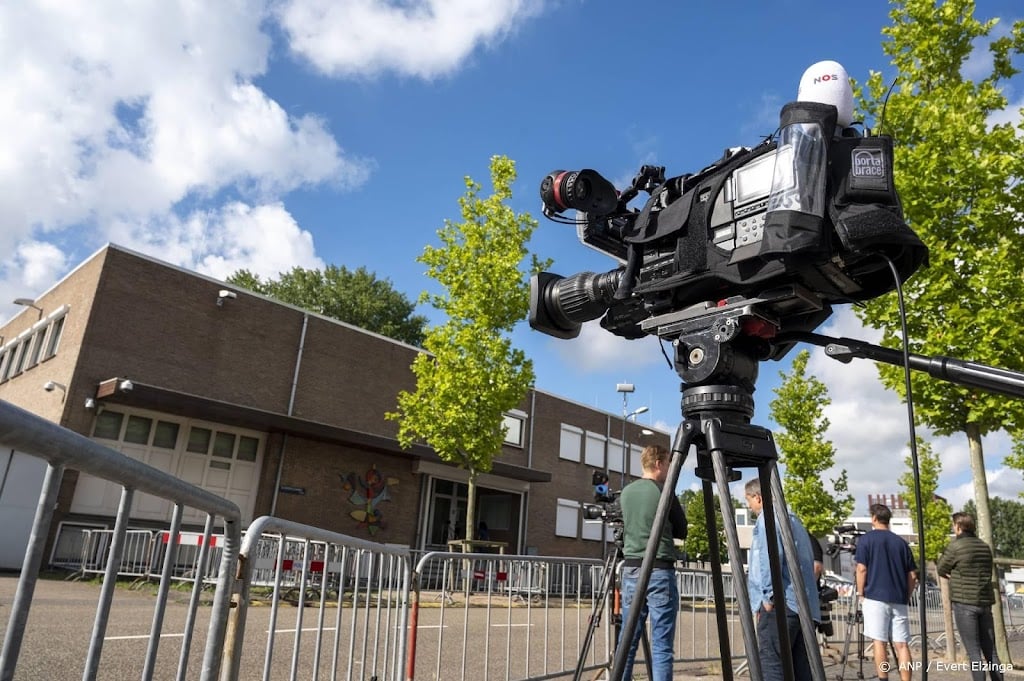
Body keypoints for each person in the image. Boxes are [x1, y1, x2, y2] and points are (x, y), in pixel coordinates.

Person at [618, 444, 687, 681]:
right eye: (668, 463)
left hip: (630, 569)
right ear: (658, 463)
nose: (669, 469)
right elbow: (682, 529)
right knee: (661, 645)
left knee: (627, 640)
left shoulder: (626, 492)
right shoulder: (665, 491)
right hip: (659, 568)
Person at [744, 478, 821, 681]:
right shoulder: (794, 520)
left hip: (781, 604)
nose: (748, 506)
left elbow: (770, 559)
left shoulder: (767, 519)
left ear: (758, 498)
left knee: (773, 665)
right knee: (801, 668)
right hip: (802, 606)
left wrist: (768, 599)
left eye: (748, 500)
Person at [936, 512, 1003, 681]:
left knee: (974, 654)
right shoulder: (984, 546)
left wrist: (955, 577)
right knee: (991, 652)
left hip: (965, 603)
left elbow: (941, 568)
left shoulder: (956, 547)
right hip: (985, 603)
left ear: (958, 527)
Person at [854, 504, 917, 681]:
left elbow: (861, 569)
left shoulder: (866, 540)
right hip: (898, 598)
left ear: (874, 518)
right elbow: (912, 575)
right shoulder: (901, 543)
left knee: (879, 641)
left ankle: (883, 677)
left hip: (875, 597)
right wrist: (907, 595)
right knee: (902, 645)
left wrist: (861, 594)